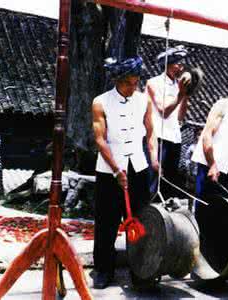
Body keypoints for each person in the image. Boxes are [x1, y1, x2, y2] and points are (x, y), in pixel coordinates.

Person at [91, 56, 158, 289]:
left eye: (136, 82)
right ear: (118, 80)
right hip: (109, 170)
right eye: (129, 83)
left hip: (138, 167)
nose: (133, 87)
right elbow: (100, 140)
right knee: (106, 222)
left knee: (141, 221)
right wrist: (116, 169)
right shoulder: (100, 102)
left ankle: (141, 273)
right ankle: (102, 270)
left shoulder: (144, 101)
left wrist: (154, 159)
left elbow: (150, 133)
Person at [146, 45, 191, 199]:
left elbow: (179, 117)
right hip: (158, 137)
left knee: (169, 180)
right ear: (169, 64)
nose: (181, 66)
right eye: (178, 63)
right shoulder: (153, 83)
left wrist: (186, 95)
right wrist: (180, 95)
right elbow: (163, 111)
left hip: (174, 138)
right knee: (154, 178)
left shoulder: (178, 86)